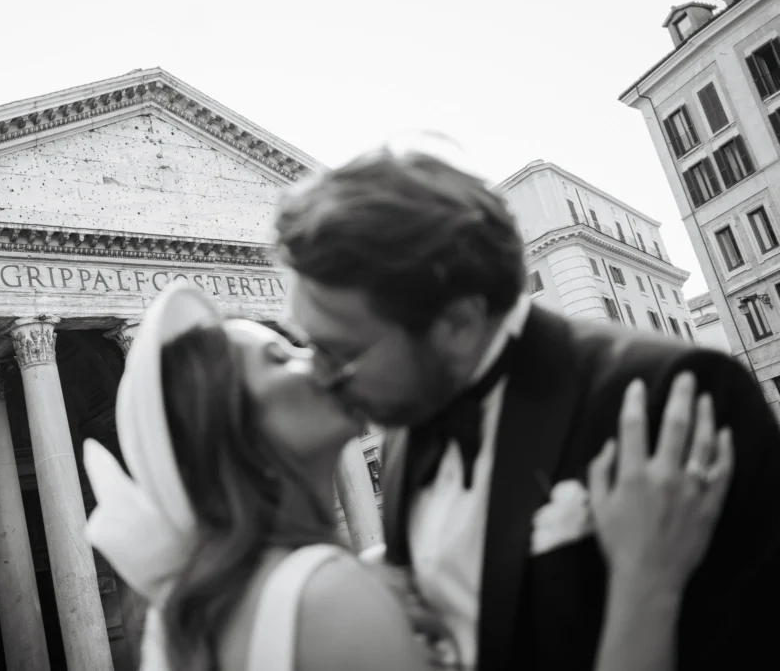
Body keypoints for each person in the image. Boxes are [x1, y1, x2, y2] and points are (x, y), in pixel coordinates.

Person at [272, 134, 780, 671]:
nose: (322, 379)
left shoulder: (671, 394)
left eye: (340, 352)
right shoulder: (403, 437)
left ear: (459, 324)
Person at [82, 283, 732, 671]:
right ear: (239, 438)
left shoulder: (192, 611)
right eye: (281, 358)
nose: (323, 359)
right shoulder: (327, 598)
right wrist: (649, 580)